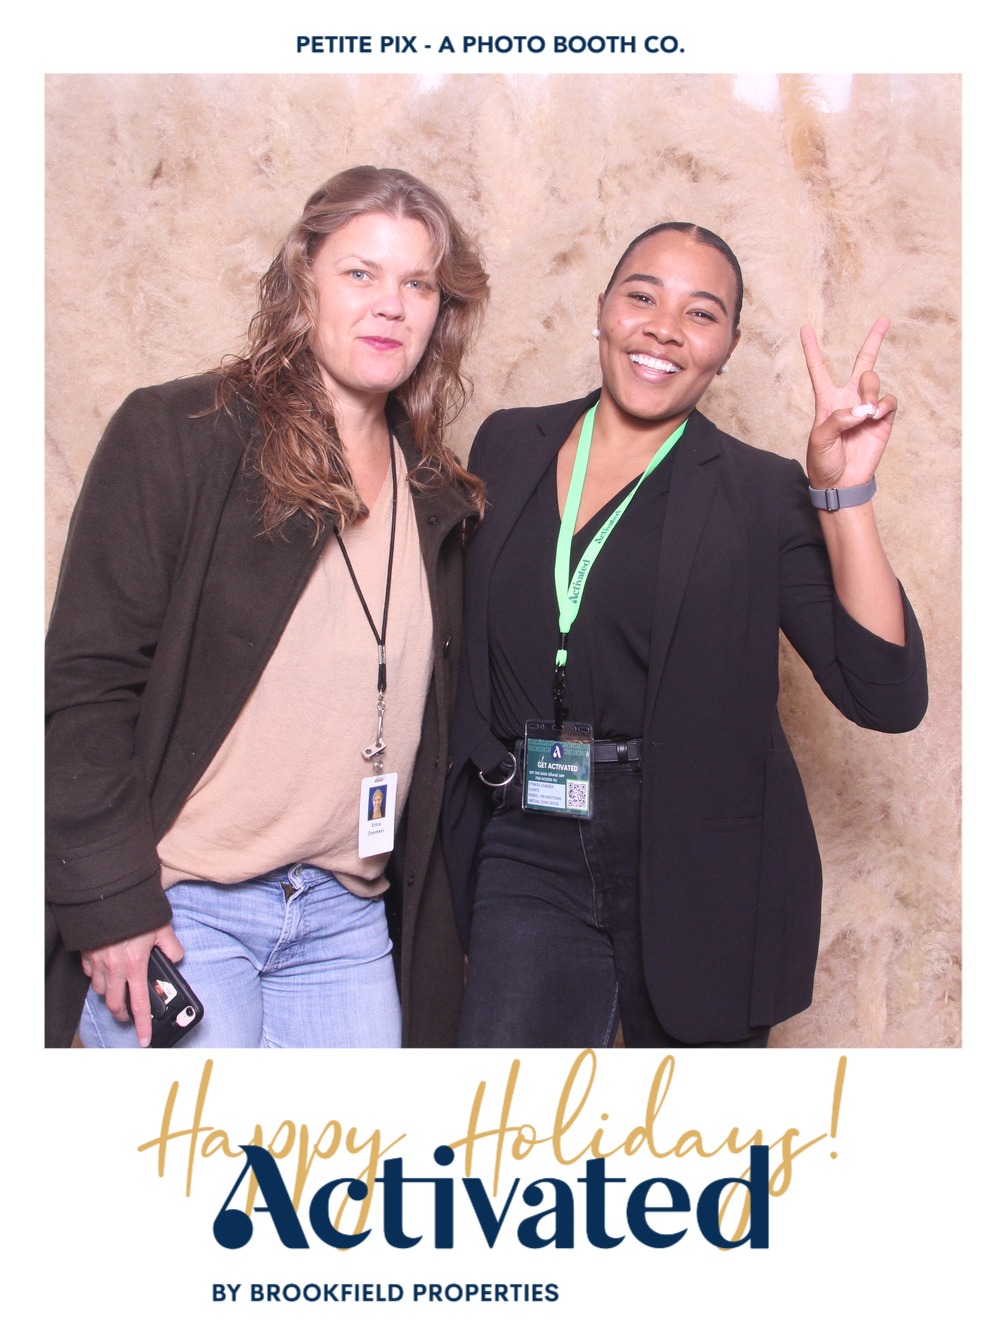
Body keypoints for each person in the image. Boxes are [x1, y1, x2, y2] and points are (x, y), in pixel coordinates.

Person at [443, 221, 927, 1049]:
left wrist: (845, 496)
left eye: (702, 314)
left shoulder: (761, 491)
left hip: (700, 856)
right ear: (603, 309)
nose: (665, 328)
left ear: (727, 349)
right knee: (510, 1113)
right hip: (529, 833)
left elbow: (886, 695)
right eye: (643, 296)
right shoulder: (508, 444)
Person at [45, 165, 489, 1049]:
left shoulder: (439, 492)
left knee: (350, 1150)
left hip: (347, 919)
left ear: (442, 312)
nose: (390, 305)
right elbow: (86, 685)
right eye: (360, 273)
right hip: (183, 907)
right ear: (303, 281)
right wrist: (111, 905)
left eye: (417, 284)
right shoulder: (184, 433)